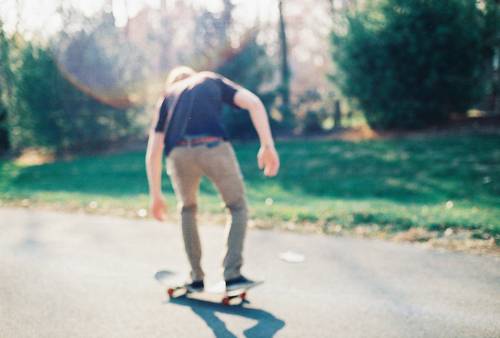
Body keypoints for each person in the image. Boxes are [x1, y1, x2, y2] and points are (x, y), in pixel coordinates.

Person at [145, 66, 280, 292]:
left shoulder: (168, 96)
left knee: (187, 209)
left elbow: (154, 151)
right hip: (213, 147)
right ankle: (232, 274)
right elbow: (254, 103)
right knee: (237, 206)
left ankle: (195, 277)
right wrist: (267, 145)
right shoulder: (209, 79)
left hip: (179, 154)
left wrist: (156, 195)